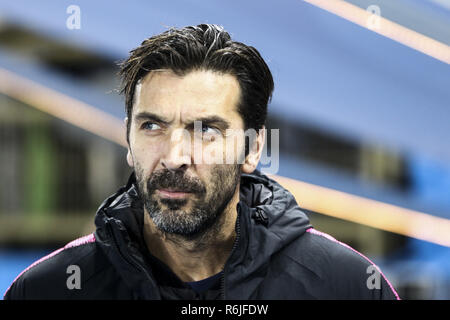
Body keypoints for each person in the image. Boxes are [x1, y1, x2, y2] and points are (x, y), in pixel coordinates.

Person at [4, 24, 399, 300]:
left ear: (252, 149)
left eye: (206, 129)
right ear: (128, 138)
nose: (175, 157)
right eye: (153, 126)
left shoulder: (345, 286)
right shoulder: (50, 289)